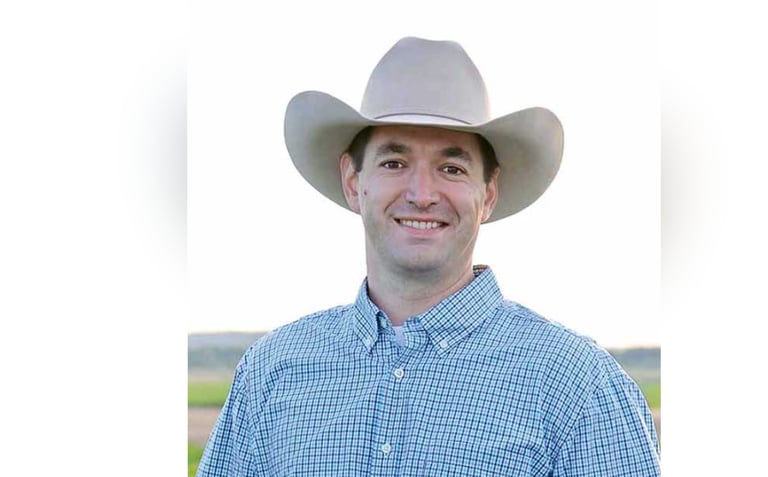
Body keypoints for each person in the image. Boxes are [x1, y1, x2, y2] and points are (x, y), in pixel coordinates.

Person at [197, 37, 660, 476]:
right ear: (354, 182)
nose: (421, 194)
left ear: (489, 193)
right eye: (394, 163)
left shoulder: (577, 384)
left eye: (451, 168)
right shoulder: (272, 371)